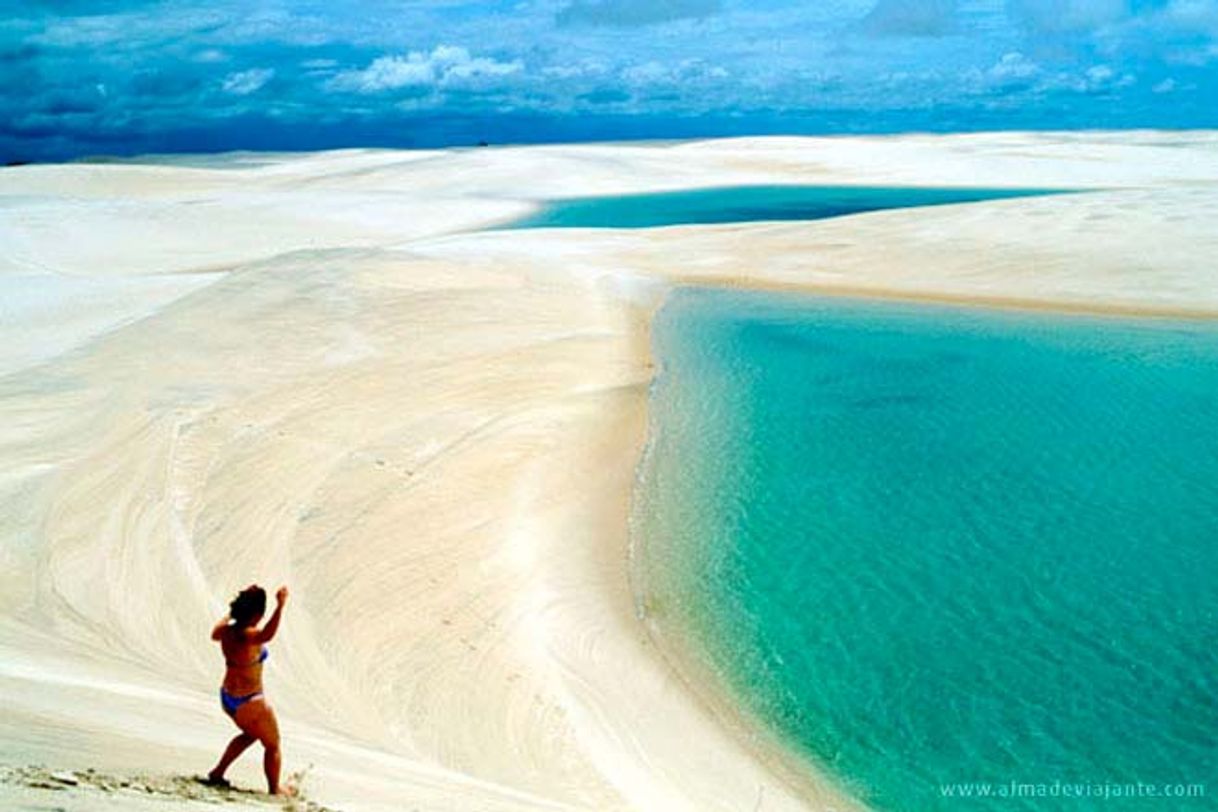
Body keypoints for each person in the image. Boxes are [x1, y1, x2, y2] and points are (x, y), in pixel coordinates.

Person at [206, 584, 289, 794]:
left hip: (228, 697)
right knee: (272, 745)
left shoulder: (225, 631)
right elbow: (267, 634)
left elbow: (214, 634)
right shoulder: (248, 635)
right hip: (250, 701)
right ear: (258, 614)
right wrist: (280, 606)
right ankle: (275, 790)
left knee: (251, 734)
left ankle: (218, 772)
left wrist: (231, 615)